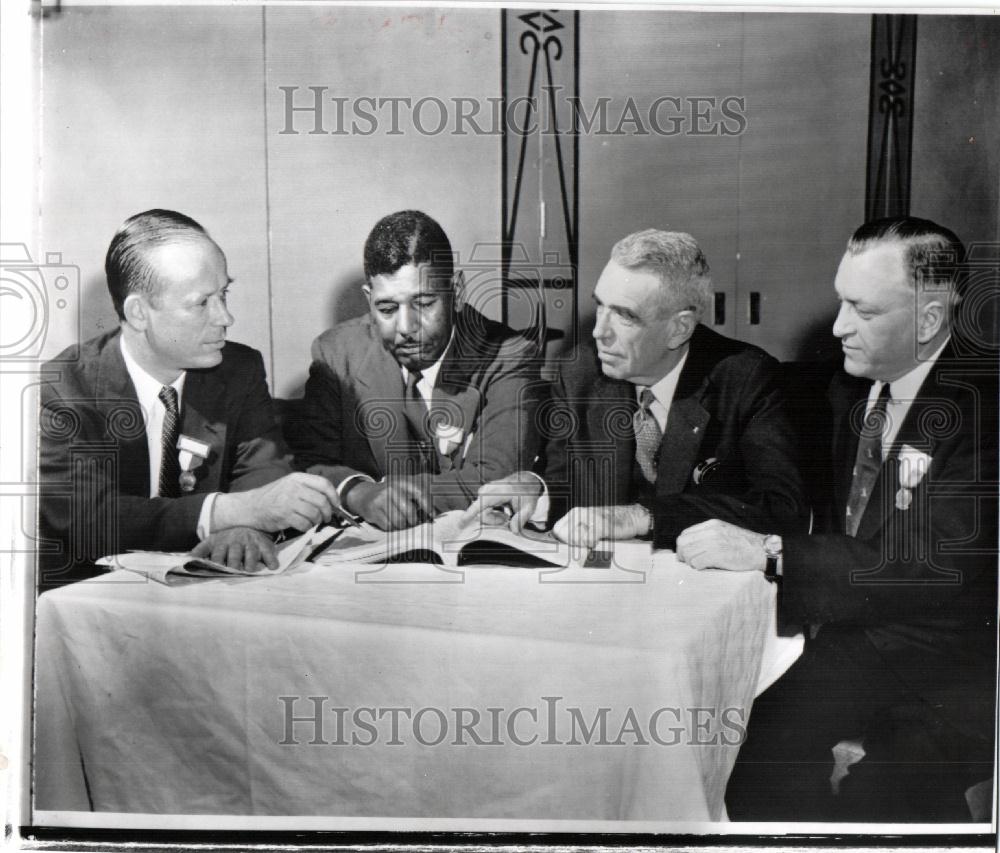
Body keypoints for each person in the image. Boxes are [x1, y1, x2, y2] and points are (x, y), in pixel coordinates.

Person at [676, 217, 998, 821]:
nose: (838, 326)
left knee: (886, 793)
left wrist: (774, 553)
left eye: (863, 310)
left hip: (951, 660)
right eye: (840, 300)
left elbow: (936, 565)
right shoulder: (848, 390)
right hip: (858, 640)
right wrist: (649, 515)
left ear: (928, 322)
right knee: (735, 747)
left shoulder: (985, 408)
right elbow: (770, 493)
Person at [37, 209, 338, 588]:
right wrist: (230, 512)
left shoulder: (238, 369)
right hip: (89, 598)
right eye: (202, 303)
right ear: (139, 313)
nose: (226, 317)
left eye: (224, 294)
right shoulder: (60, 388)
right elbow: (88, 519)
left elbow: (263, 468)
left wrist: (243, 529)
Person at [463, 228, 809, 548]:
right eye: (600, 306)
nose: (600, 332)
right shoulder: (581, 372)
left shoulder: (747, 380)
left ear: (679, 328)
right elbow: (565, 479)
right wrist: (535, 490)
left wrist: (644, 515)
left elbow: (783, 510)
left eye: (625, 316)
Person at [292, 210, 543, 530]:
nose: (406, 327)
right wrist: (359, 493)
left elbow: (495, 479)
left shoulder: (510, 355)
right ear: (369, 300)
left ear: (457, 292)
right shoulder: (336, 354)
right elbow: (310, 464)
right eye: (387, 309)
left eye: (424, 304)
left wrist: (383, 495)